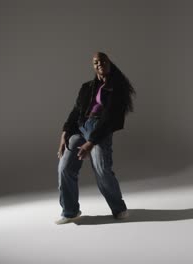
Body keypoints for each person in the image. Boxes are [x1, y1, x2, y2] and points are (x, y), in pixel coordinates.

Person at [55, 52, 135, 224]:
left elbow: (110, 119)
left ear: (109, 63)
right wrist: (64, 135)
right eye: (95, 62)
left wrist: (91, 143)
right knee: (65, 168)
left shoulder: (117, 88)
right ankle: (70, 211)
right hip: (80, 127)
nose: (99, 64)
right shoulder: (87, 87)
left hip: (99, 129)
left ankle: (119, 208)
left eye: (102, 61)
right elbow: (75, 112)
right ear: (93, 66)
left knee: (102, 170)